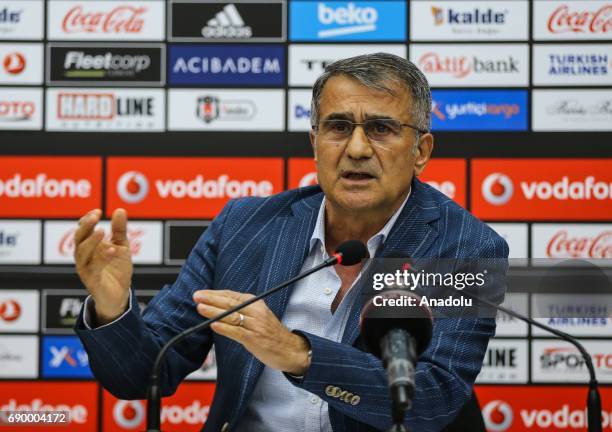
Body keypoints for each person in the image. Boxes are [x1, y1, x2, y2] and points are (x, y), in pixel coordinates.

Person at [74, 53, 508, 432]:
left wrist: (296, 353)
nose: (356, 148)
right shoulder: (246, 226)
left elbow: (433, 399)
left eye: (380, 129)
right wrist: (112, 308)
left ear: (421, 150)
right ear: (314, 142)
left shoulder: (463, 247)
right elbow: (145, 373)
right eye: (338, 127)